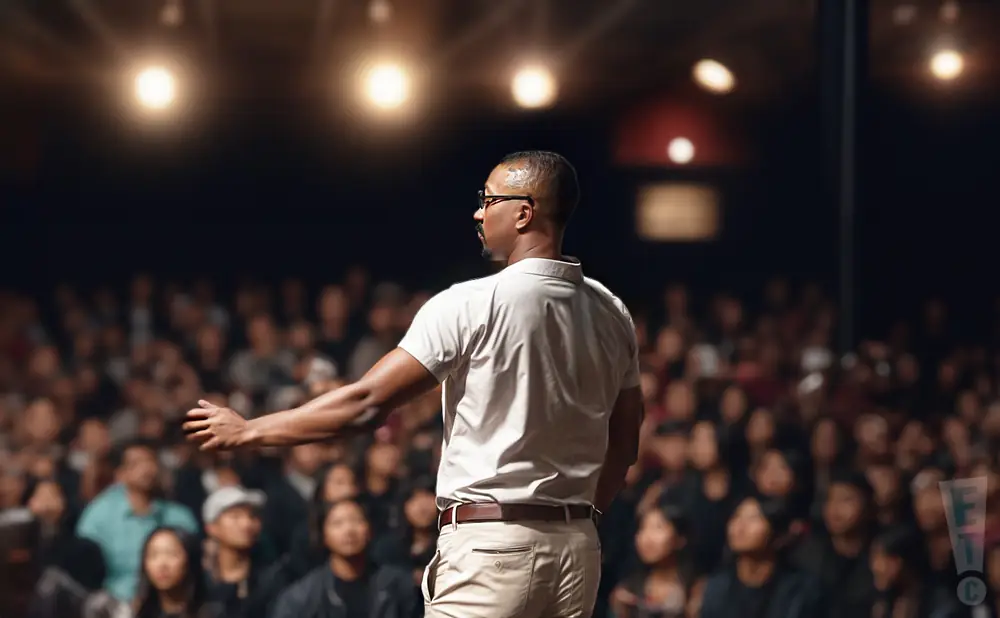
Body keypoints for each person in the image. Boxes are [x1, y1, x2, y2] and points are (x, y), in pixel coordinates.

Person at [184, 150, 644, 618]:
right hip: (577, 551)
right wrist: (584, 519)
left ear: (524, 212)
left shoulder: (472, 302)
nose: (478, 211)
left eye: (488, 199)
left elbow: (366, 403)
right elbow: (625, 442)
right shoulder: (612, 311)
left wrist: (249, 430)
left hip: (492, 546)